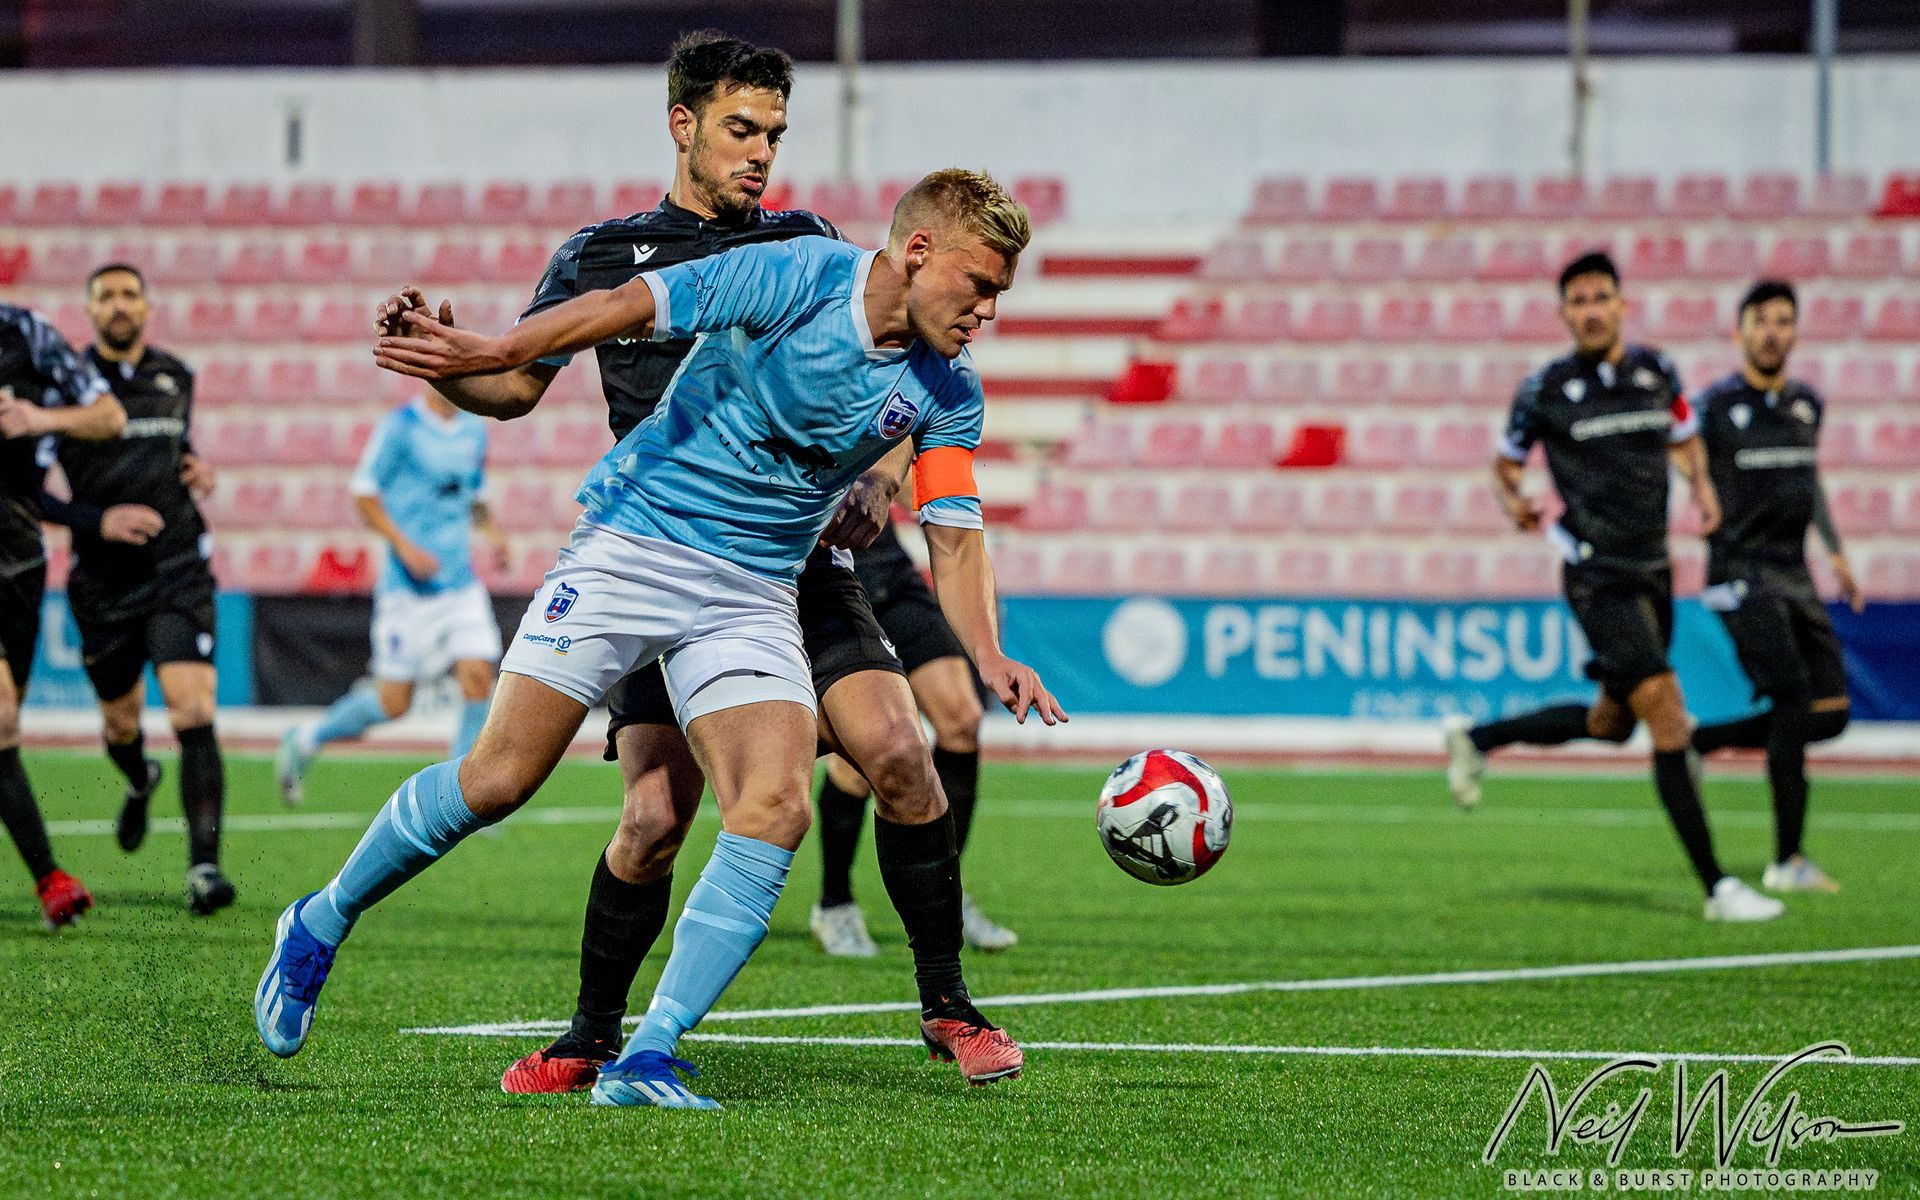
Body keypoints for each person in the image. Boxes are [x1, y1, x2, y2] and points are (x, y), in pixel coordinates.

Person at [255, 168, 1064, 1113]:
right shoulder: (800, 273)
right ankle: (320, 919)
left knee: (774, 807)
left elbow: (956, 535)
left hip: (753, 590)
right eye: (981, 284)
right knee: (499, 780)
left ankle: (648, 1056)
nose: (989, 310)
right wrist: (497, 347)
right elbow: (624, 306)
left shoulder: (949, 388)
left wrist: (989, 655)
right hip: (635, 547)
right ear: (918, 251)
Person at [1439, 251, 1781, 922]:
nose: (1591, 311)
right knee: (1667, 710)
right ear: (1564, 314)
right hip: (1597, 576)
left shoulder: (1658, 372)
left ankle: (1477, 738)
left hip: (1653, 570)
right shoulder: (1545, 389)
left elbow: (1685, 437)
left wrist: (1703, 488)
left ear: (1622, 305)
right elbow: (1504, 467)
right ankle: (1718, 888)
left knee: (1611, 722)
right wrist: (1515, 504)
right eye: (1579, 301)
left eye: (1601, 298)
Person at [36, 264, 235, 914]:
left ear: (147, 306)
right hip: (102, 583)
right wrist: (98, 521)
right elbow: (29, 492)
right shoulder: (63, 386)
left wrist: (199, 471)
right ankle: (140, 777)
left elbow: (177, 448)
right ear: (90, 311)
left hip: (177, 570)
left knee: (192, 710)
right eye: (106, 297)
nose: (119, 305)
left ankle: (204, 869)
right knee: (120, 723)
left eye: (128, 294)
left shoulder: (176, 374)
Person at [1689, 280, 1860, 894]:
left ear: (1795, 331)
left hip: (1795, 572)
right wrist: (1697, 493)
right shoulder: (1713, 406)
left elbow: (1807, 481)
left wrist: (1836, 552)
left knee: (1831, 712)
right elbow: (1679, 454)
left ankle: (1701, 742)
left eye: (1783, 320)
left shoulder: (1808, 404)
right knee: (1791, 699)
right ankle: (1788, 860)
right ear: (1739, 331)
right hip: (1739, 572)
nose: (1771, 332)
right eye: (1760, 320)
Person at [275, 390, 507, 801]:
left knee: (477, 680)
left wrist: (495, 535)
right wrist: (403, 546)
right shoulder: (401, 427)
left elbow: (474, 494)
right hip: (407, 592)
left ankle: (459, 794)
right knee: (394, 703)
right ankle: (308, 738)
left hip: (460, 585)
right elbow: (364, 493)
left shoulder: (474, 430)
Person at [811, 520, 1016, 955]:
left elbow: (922, 495)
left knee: (961, 720)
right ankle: (835, 903)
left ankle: (946, 895)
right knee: (860, 752)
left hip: (891, 574)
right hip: (828, 575)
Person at [0, 303, 125, 926]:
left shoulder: (25, 333)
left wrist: (37, 418)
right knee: (0, 722)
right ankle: (50, 877)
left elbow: (109, 415)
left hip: (19, 566)